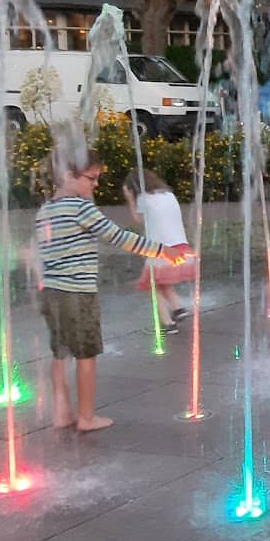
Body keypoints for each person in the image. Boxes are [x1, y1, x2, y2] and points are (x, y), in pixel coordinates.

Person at [34, 156, 189, 431]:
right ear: (68, 176)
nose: (96, 184)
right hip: (78, 293)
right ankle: (86, 418)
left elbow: (42, 249)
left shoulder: (45, 209)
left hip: (51, 292)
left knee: (60, 351)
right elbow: (118, 237)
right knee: (86, 354)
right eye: (91, 178)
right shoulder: (81, 207)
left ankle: (61, 413)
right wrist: (162, 251)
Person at [122, 172, 197, 330]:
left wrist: (130, 200)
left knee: (152, 287)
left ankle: (168, 324)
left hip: (162, 250)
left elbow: (138, 219)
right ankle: (178, 309)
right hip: (181, 248)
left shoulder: (143, 199)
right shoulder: (169, 195)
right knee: (162, 282)